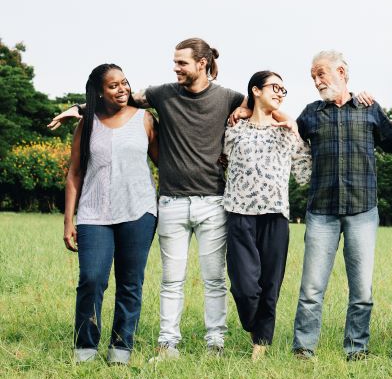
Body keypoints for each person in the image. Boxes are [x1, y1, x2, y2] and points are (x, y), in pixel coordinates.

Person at [51, 38, 252, 359]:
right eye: (175, 63)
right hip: (169, 202)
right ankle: (166, 343)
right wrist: (78, 108)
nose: (175, 68)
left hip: (212, 201)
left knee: (212, 278)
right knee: (168, 280)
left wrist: (243, 111)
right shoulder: (163, 94)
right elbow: (117, 98)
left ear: (201, 63)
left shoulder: (228, 96)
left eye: (181, 63)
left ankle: (213, 342)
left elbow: (260, 106)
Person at [292, 50, 392, 360]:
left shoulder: (369, 110)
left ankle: (356, 349)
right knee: (311, 289)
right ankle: (304, 350)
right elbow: (286, 142)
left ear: (341, 72)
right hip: (321, 211)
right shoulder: (310, 114)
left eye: (321, 74)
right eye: (313, 77)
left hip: (362, 210)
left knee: (361, 291)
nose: (317, 81)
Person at [63, 63, 158, 365]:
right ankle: (85, 347)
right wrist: (69, 220)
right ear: (99, 92)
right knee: (91, 278)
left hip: (138, 211)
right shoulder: (87, 123)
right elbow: (74, 173)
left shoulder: (145, 120)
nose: (122, 89)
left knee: (131, 282)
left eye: (125, 82)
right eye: (113, 85)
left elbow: (164, 164)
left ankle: (121, 347)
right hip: (94, 213)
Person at [222, 70, 311, 361]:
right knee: (245, 287)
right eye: (275, 87)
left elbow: (305, 174)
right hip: (239, 213)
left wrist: (295, 129)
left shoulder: (287, 131)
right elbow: (220, 162)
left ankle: (260, 346)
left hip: (276, 215)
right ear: (256, 90)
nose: (280, 93)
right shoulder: (235, 128)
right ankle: (253, 325)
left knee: (270, 284)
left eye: (284, 90)